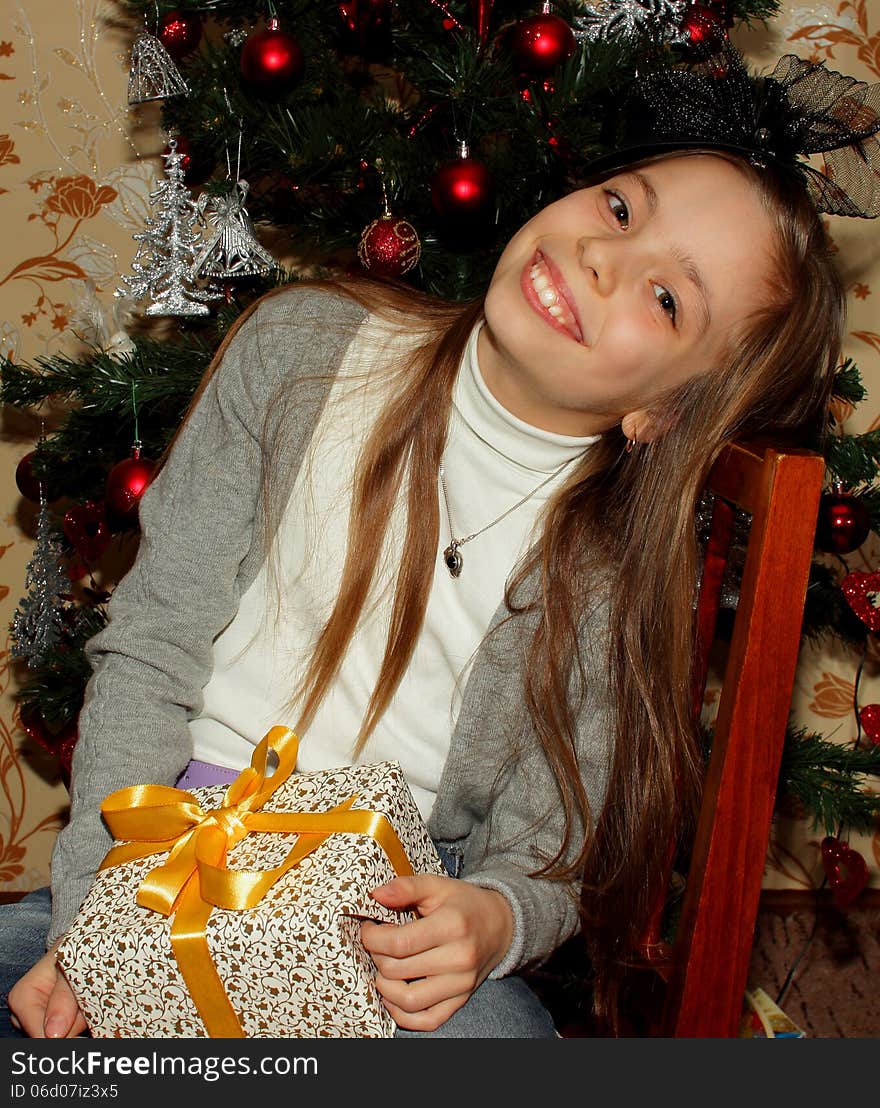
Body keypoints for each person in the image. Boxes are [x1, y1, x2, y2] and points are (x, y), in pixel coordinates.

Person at [1, 46, 877, 1039]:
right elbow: (149, 650)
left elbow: (552, 853)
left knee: (500, 1044)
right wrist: (96, 911)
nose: (603, 255)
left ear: (665, 413)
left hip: (383, 923)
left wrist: (492, 918)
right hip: (157, 848)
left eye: (666, 299)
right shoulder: (295, 352)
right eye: (622, 209)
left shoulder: (602, 570)